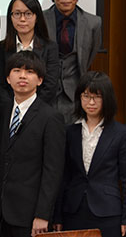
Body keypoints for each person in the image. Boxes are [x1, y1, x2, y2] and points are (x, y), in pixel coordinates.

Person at [0, 51, 65, 237]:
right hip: (1, 214)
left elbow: (53, 171)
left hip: (30, 216)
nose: (23, 76)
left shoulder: (51, 118)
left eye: (30, 72)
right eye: (17, 70)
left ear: (40, 80)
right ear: (8, 79)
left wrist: (42, 215)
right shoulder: (0, 112)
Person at [54, 72, 126, 237]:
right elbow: (63, 177)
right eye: (86, 96)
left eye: (97, 97)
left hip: (107, 212)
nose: (91, 102)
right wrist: (57, 215)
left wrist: (125, 219)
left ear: (106, 99)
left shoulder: (120, 133)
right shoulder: (70, 132)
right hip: (73, 210)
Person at [43, 0, 102, 123]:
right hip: (45, 94)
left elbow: (90, 55)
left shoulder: (93, 23)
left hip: (77, 94)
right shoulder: (40, 20)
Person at [0, 0, 60, 105]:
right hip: (10, 110)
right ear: (10, 17)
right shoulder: (2, 48)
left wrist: (29, 110)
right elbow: (0, 84)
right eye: (17, 14)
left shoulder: (50, 47)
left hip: (40, 110)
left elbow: (50, 85)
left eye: (28, 14)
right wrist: (14, 108)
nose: (22, 19)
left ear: (37, 17)